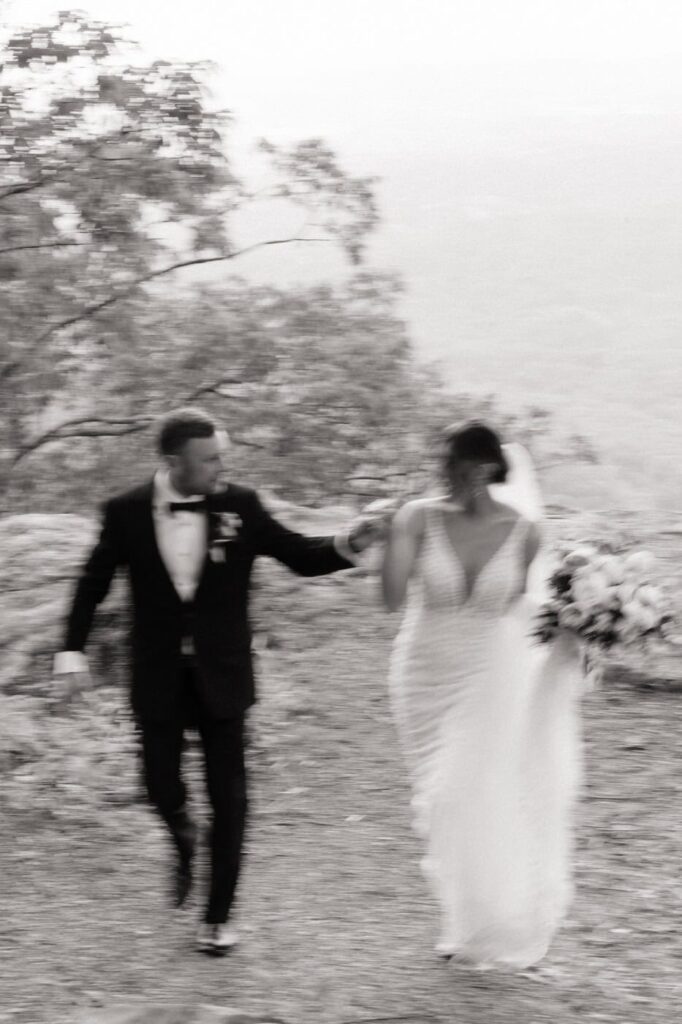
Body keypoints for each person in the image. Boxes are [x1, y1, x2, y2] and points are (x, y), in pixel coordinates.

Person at [53, 407, 380, 956]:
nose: (220, 468)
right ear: (174, 461)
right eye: (209, 460)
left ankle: (217, 918)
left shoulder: (241, 505)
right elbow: (92, 583)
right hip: (157, 676)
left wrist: (352, 541)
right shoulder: (125, 512)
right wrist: (70, 651)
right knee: (159, 787)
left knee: (230, 799)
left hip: (224, 677)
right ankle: (182, 832)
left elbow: (298, 555)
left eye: (222, 457)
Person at [382, 421, 583, 969]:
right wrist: (388, 545)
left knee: (462, 791)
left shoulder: (525, 531)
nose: (448, 474)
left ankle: (470, 926)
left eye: (459, 464)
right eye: (444, 463)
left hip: (486, 671)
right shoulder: (417, 517)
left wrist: (574, 623)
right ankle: (460, 916)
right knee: (438, 800)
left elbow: (521, 608)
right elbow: (389, 598)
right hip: (420, 670)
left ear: (489, 467)